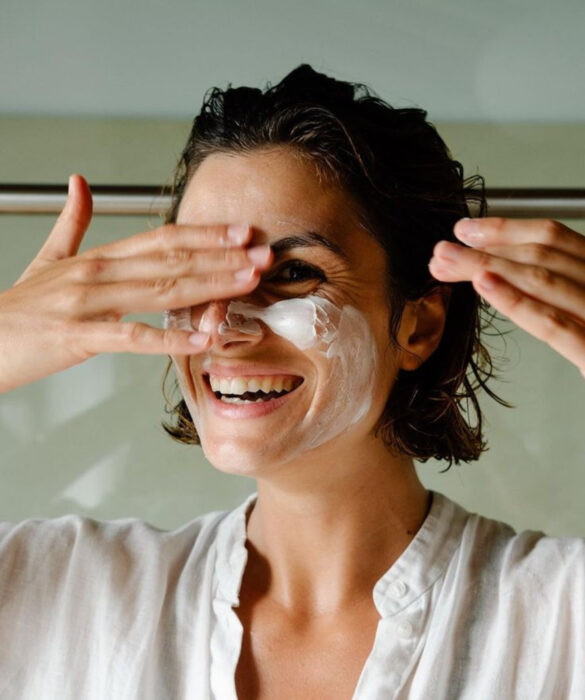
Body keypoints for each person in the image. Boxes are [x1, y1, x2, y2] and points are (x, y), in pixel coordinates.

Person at [0, 64, 583, 699]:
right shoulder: (58, 590)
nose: (224, 327)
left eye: (296, 272)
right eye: (200, 273)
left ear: (417, 325)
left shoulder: (558, 619)